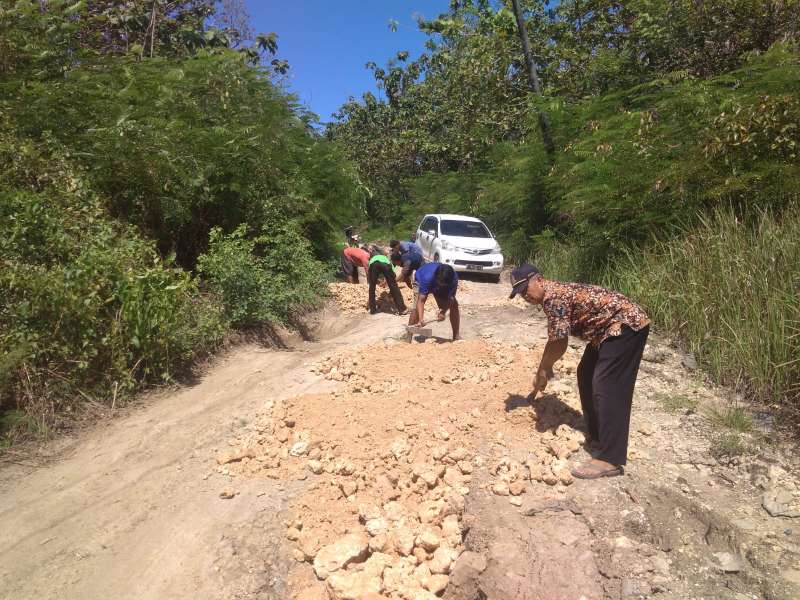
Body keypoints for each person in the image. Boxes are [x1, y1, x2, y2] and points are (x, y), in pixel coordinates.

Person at [508, 263, 650, 480]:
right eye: (520, 293)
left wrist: (543, 369)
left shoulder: (553, 297)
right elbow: (556, 340)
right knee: (586, 374)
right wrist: (543, 368)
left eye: (525, 289)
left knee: (607, 385)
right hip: (604, 330)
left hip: (625, 325)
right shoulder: (551, 296)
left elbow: (559, 342)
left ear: (537, 279)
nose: (525, 296)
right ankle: (597, 433)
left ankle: (610, 458)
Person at [408, 262, 461, 341]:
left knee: (454, 306)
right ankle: (408, 337)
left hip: (438, 284)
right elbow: (421, 300)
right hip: (421, 279)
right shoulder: (427, 278)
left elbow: (451, 299)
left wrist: (443, 312)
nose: (442, 285)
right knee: (416, 308)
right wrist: (421, 319)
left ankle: (456, 336)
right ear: (436, 277)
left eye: (444, 284)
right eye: (441, 283)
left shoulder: (453, 278)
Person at [368, 246, 407, 315]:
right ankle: (402, 309)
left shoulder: (371, 260)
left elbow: (372, 275)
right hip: (385, 265)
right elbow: (393, 275)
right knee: (394, 286)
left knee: (372, 287)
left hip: (373, 265)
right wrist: (390, 282)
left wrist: (376, 281)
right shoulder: (386, 259)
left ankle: (373, 310)